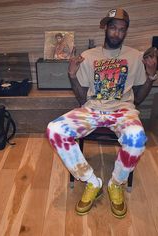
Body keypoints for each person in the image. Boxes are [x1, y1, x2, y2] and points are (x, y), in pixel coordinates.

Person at [47, 8, 157, 218]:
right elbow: (82, 99)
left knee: (137, 138)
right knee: (55, 130)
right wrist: (72, 74)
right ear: (105, 28)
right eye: (113, 27)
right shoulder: (88, 57)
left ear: (126, 32)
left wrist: (151, 77)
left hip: (123, 110)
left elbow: (139, 99)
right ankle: (91, 181)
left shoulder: (135, 57)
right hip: (92, 109)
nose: (116, 33)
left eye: (121, 29)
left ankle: (116, 183)